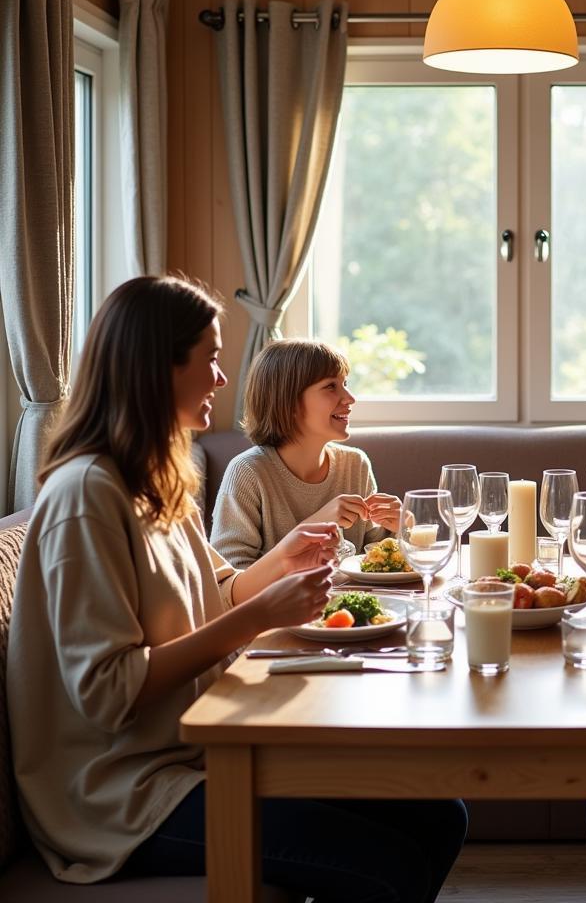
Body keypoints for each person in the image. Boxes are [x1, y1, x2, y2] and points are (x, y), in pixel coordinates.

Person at [6, 276, 467, 898]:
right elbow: (105, 693)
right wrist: (256, 618)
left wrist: (283, 562)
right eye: (212, 358)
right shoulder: (87, 495)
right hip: (122, 796)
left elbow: (220, 593)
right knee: (387, 860)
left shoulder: (156, 484)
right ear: (158, 368)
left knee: (440, 814)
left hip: (197, 756)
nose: (223, 379)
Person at [212, 339, 401, 568]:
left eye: (345, 383)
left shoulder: (355, 464)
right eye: (331, 386)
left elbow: (374, 560)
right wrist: (318, 523)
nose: (350, 398)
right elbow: (228, 577)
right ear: (288, 401)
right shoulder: (247, 472)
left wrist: (402, 527)